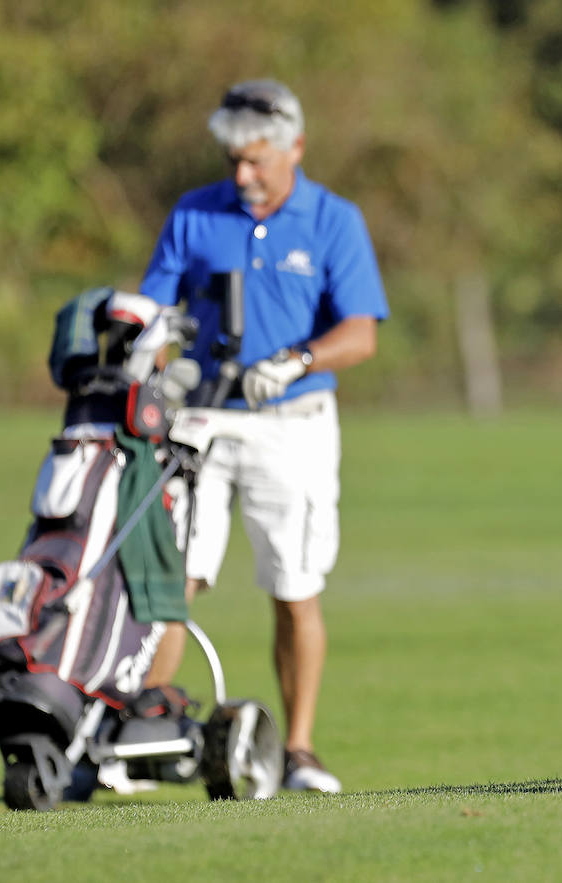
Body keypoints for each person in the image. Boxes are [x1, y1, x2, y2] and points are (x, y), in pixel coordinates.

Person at [138, 79, 389, 793]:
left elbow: (360, 333)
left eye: (255, 160)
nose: (241, 175)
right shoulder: (194, 213)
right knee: (172, 579)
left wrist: (297, 359)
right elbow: (155, 313)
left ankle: (299, 749)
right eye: (232, 161)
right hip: (200, 423)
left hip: (293, 423)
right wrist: (164, 370)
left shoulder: (333, 218)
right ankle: (147, 727)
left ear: (294, 149)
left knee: (294, 586)